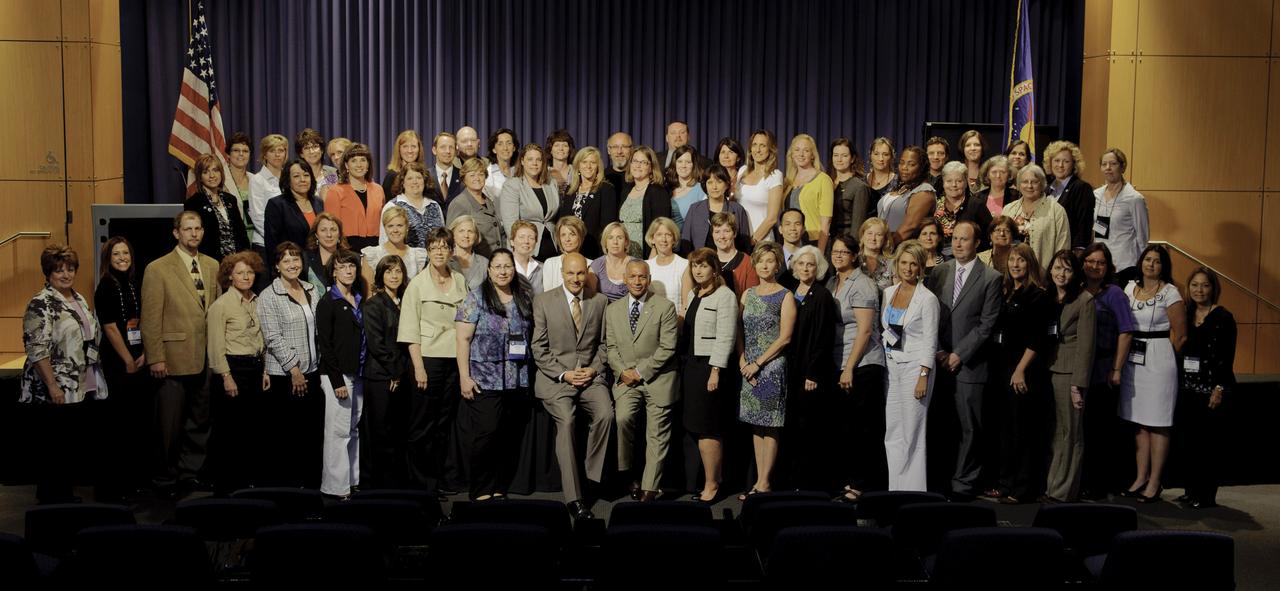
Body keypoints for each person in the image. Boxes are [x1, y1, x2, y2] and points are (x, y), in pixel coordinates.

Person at [141, 212, 220, 495]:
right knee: (168, 424)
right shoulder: (158, 268)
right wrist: (156, 357)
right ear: (177, 233)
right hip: (172, 358)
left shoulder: (212, 265)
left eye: (198, 229)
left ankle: (191, 474)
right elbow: (150, 318)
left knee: (199, 421)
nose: (194, 234)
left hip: (204, 358)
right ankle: (165, 477)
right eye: (188, 229)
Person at [531, 253, 614, 519]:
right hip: (557, 379)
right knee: (566, 421)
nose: (576, 279)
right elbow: (539, 348)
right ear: (562, 273)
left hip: (590, 377)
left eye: (580, 274)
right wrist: (564, 375)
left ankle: (590, 478)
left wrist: (594, 369)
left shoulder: (600, 301)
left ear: (587, 273)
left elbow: (604, 345)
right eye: (570, 273)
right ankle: (574, 498)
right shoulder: (543, 301)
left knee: (607, 414)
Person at [21, 245, 107, 504]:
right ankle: (51, 501)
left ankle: (64, 495)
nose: (66, 274)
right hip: (54, 389)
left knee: (68, 447)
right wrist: (52, 386)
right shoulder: (40, 303)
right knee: (53, 450)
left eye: (70, 269)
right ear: (48, 273)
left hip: (79, 384)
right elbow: (36, 350)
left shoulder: (78, 298)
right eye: (59, 270)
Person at [925, 221, 1002, 501]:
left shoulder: (991, 278)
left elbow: (987, 324)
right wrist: (940, 351)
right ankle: (941, 479)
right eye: (955, 238)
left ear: (977, 243)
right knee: (942, 425)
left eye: (964, 239)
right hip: (940, 359)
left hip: (971, 365)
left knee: (970, 427)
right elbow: (930, 313)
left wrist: (960, 354)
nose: (957, 244)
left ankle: (964, 483)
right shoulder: (940, 272)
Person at [455, 248, 533, 501]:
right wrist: (464, 377)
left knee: (506, 437)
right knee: (486, 435)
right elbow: (462, 340)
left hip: (515, 379)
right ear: (489, 271)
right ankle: (480, 490)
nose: (503, 271)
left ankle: (499, 487)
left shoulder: (523, 297)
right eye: (497, 266)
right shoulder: (476, 298)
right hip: (484, 379)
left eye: (507, 266)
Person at [397, 227, 468, 494]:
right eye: (434, 247)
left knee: (445, 423)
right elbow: (409, 329)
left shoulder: (460, 281)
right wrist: (418, 368)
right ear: (427, 251)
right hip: (428, 359)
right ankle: (421, 482)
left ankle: (442, 477)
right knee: (422, 424)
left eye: (444, 247)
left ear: (451, 251)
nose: (439, 251)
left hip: (455, 359)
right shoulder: (417, 284)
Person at [606, 260, 679, 502]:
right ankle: (628, 475)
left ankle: (650, 487)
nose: (638, 282)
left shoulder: (665, 307)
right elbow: (611, 348)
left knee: (656, 433)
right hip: (626, 380)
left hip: (657, 378)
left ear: (648, 280)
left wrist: (641, 372)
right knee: (623, 417)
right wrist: (623, 371)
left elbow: (668, 348)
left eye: (642, 277)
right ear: (625, 279)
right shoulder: (612, 309)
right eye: (633, 277)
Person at [1120, 245, 1186, 504]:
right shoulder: (1129, 288)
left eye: (1157, 261)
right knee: (1139, 422)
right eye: (1147, 260)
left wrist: (1165, 356)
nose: (1151, 265)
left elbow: (1180, 336)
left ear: (1163, 266)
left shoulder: (1171, 292)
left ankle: (1155, 482)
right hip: (1133, 358)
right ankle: (1140, 477)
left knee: (1158, 423)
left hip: (1159, 356)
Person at [990, 244, 1054, 505]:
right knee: (1005, 429)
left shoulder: (1038, 295)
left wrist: (1020, 370)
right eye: (1012, 260)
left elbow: (1039, 338)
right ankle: (1004, 483)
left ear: (1031, 264)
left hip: (1024, 371)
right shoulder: (1006, 291)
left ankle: (1022, 487)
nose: (1015, 265)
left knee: (1023, 430)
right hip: (1003, 367)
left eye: (1021, 261)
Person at [825, 234, 887, 500]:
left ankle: (863, 485)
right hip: (840, 361)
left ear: (854, 255)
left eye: (844, 252)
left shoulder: (863, 284)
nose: (838, 256)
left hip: (862, 364)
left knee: (863, 429)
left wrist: (849, 367)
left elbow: (864, 331)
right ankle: (848, 480)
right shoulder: (831, 282)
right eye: (835, 251)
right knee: (845, 428)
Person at [257, 241, 322, 488]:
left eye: (296, 259)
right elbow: (272, 337)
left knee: (310, 437)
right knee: (287, 438)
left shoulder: (310, 289)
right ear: (276, 266)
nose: (293, 264)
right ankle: (288, 491)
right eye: (286, 260)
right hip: (286, 376)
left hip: (312, 372)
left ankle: (311, 490)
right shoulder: (269, 296)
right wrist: (294, 369)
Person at [737, 242, 796, 500]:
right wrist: (742, 360)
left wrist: (758, 363)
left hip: (770, 367)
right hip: (747, 367)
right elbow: (739, 330)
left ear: (777, 265)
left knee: (770, 425)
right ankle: (760, 482)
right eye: (760, 261)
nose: (764, 265)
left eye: (770, 261)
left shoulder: (785, 296)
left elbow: (785, 338)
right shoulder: (747, 294)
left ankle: (764, 483)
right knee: (756, 426)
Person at [205, 251, 267, 494]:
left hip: (255, 368)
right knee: (229, 433)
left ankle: (247, 483)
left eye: (250, 272)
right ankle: (226, 487)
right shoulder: (220, 306)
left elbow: (262, 338)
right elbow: (215, 347)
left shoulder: (258, 300)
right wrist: (226, 377)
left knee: (251, 430)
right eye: (240, 272)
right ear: (229, 276)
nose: (246, 276)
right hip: (232, 371)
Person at [94, 238, 151, 499]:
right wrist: (128, 359)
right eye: (116, 254)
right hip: (118, 361)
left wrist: (142, 355)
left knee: (134, 424)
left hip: (136, 357)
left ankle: (133, 482)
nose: (121, 257)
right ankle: (115, 488)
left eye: (125, 252)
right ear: (108, 258)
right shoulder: (105, 286)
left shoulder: (130, 283)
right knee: (118, 425)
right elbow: (109, 327)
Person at [880, 240, 939, 491]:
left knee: (913, 431)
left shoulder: (928, 299)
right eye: (903, 263)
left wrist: (924, 375)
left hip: (916, 368)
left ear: (920, 267)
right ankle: (896, 487)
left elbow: (930, 340)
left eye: (913, 264)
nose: (907, 268)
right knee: (893, 430)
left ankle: (913, 491)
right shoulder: (888, 292)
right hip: (891, 367)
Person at [1079, 243, 1136, 499]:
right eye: (1090, 261)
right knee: (1084, 430)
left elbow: (1126, 331)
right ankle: (1083, 482)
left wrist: (1116, 368)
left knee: (1101, 432)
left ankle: (1101, 485)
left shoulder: (1115, 294)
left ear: (1108, 267)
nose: (1095, 266)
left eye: (1100, 262)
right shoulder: (1077, 290)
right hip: (1080, 369)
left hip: (1104, 369)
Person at [682, 248, 738, 503]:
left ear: (714, 269)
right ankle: (709, 479)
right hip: (692, 367)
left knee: (709, 429)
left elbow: (726, 335)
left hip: (710, 368)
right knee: (697, 427)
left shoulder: (725, 295)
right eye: (695, 266)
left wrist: (715, 371)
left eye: (703, 266)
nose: (698, 270)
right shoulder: (696, 293)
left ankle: (713, 485)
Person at [1176, 267, 1235, 509]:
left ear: (1213, 289)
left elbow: (1227, 356)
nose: (1199, 290)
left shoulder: (1223, 317)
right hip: (1188, 388)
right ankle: (1191, 491)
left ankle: (1206, 495)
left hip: (1212, 390)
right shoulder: (1186, 314)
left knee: (1208, 445)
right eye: (1194, 285)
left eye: (1205, 285)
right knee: (1189, 442)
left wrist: (1219, 388)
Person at [785, 245, 841, 492]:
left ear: (817, 269)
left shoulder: (821, 295)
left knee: (809, 428)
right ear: (794, 267)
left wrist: (813, 372)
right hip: (790, 368)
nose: (805, 268)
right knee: (792, 427)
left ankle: (809, 484)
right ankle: (792, 480)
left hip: (810, 371)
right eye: (801, 263)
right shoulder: (789, 292)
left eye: (810, 264)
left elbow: (823, 336)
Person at [1042, 250, 1095, 503]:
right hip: (1048, 370)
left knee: (1070, 433)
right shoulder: (1049, 296)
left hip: (1069, 374)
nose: (1061, 274)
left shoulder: (1084, 301)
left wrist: (1078, 385)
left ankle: (1064, 490)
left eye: (1067, 269)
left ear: (1075, 274)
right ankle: (1051, 484)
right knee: (1054, 433)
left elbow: (1087, 346)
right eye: (1057, 268)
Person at [316, 250, 366, 499]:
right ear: (333, 271)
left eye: (352, 267)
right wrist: (337, 381)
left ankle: (352, 480)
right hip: (337, 376)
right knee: (337, 432)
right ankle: (335, 487)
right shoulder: (328, 302)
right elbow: (325, 345)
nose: (348, 270)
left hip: (357, 373)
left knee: (353, 430)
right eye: (342, 267)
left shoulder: (359, 297)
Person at [361, 254, 409, 489]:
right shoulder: (374, 304)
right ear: (380, 275)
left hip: (399, 373)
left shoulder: (405, 301)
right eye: (389, 271)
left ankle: (396, 481)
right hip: (380, 375)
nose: (394, 275)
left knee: (397, 430)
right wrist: (395, 373)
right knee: (380, 431)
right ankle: (379, 485)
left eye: (398, 271)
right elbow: (376, 344)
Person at [1093, 148, 1149, 285]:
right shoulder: (1096, 195)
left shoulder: (1134, 198)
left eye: (1113, 164)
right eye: (1104, 164)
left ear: (1122, 167)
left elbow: (1143, 237)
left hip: (1124, 265)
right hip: (1099, 265)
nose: (1108, 168)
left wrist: (1143, 270)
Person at [499, 143, 561, 261]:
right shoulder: (512, 185)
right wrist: (522, 246)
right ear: (522, 161)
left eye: (538, 160)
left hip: (553, 246)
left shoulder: (551, 184)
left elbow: (556, 217)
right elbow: (510, 225)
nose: (535, 163)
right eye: (530, 159)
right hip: (527, 249)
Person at [184, 153, 250, 261]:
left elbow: (241, 234)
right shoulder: (194, 203)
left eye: (215, 170)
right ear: (199, 177)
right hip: (210, 263)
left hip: (237, 263)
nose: (212, 176)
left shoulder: (230, 200)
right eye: (206, 172)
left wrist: (246, 259)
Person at [264, 159, 325, 275]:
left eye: (306, 175)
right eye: (296, 176)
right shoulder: (277, 205)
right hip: (292, 269)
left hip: (319, 267)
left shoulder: (318, 202)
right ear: (288, 180)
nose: (303, 180)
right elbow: (272, 244)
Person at [1002, 164, 1070, 265]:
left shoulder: (1057, 211)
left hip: (1043, 275)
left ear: (1042, 184)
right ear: (1019, 185)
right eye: (1025, 182)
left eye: (1034, 182)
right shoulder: (1008, 209)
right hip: (1012, 273)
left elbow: (1063, 248)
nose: (1029, 186)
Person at [559, 146, 618, 259]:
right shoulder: (570, 190)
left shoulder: (606, 189)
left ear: (598, 167)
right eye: (584, 162)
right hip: (570, 250)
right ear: (578, 166)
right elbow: (563, 221)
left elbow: (607, 226)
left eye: (593, 162)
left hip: (593, 250)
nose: (588, 166)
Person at [324, 143, 385, 251]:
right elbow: (332, 227)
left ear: (368, 164)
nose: (359, 165)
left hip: (376, 249)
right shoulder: (335, 191)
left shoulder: (378, 190)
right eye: (353, 161)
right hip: (347, 250)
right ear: (347, 165)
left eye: (363, 160)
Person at [680, 164, 751, 254]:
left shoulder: (737, 210)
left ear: (726, 185)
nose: (714, 187)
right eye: (710, 182)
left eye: (719, 182)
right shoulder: (695, 209)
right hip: (701, 263)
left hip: (730, 264)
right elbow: (685, 242)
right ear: (705, 185)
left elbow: (745, 246)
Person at [783, 134, 835, 252]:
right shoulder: (788, 181)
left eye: (806, 150)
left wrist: (819, 253)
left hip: (813, 243)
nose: (801, 154)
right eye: (797, 150)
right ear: (792, 154)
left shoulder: (823, 180)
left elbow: (826, 222)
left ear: (812, 155)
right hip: (790, 244)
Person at [619, 146, 674, 259]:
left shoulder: (658, 192)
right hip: (623, 253)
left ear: (651, 167)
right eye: (635, 161)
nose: (638, 166)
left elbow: (661, 227)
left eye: (643, 162)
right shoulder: (626, 190)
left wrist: (652, 258)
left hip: (645, 254)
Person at [1043, 140, 1095, 251]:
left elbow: (1084, 225)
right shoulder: (1046, 190)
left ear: (1074, 165)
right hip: (1048, 249)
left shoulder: (1081, 188)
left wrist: (1078, 251)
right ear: (1050, 163)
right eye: (1056, 161)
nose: (1060, 165)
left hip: (1069, 251)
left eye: (1066, 161)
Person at [934, 161, 994, 257]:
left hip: (971, 258)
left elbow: (990, 234)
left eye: (959, 181)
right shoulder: (934, 204)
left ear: (966, 183)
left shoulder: (976, 205)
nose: (954, 185)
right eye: (949, 181)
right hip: (938, 258)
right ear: (943, 183)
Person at [878, 146, 936, 243]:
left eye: (911, 164)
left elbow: (910, 227)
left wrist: (886, 247)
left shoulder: (924, 191)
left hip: (901, 250)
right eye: (902, 162)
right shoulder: (903, 188)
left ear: (921, 167)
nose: (904, 168)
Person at [381, 160, 445, 249]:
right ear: (403, 182)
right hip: (404, 260)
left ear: (424, 181)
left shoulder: (435, 206)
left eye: (419, 178)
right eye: (410, 178)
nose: (415, 182)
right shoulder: (392, 206)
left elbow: (443, 238)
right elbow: (384, 241)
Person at [450, 157, 505, 257]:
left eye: (481, 174)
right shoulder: (459, 203)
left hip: (495, 261)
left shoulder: (489, 201)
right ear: (464, 179)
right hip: (474, 263)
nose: (477, 178)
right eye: (472, 175)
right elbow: (451, 239)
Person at [738, 130, 785, 244]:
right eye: (754, 145)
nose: (757, 150)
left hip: (761, 241)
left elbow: (772, 218)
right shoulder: (742, 171)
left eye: (762, 146)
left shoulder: (775, 175)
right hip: (739, 239)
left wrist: (752, 241)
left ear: (770, 149)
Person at [362, 207, 429, 286]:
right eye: (390, 226)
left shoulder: (419, 255)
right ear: (385, 228)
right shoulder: (371, 255)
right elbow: (368, 294)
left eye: (400, 225)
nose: (395, 230)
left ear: (407, 227)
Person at [248, 133, 288, 264]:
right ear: (265, 154)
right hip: (265, 245)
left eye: (281, 150)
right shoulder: (257, 180)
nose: (277, 155)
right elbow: (258, 216)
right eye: (272, 151)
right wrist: (277, 239)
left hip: (288, 245)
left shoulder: (289, 179)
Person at [829, 138, 875, 242]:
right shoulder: (827, 183)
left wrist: (850, 248)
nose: (839, 159)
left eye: (844, 156)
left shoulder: (859, 187)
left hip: (845, 244)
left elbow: (857, 228)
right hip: (826, 243)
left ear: (852, 158)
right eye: (836, 155)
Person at [645, 217, 691, 311]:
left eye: (668, 235)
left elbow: (686, 303)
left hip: (675, 321)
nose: (664, 239)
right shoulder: (646, 265)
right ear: (652, 239)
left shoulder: (684, 265)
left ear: (674, 239)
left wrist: (679, 324)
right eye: (659, 235)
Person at [712, 212, 760, 298]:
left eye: (726, 231)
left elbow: (753, 301)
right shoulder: (708, 261)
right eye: (717, 232)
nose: (722, 236)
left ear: (734, 233)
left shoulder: (748, 262)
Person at [590, 222, 638, 302]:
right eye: (610, 237)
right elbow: (590, 296)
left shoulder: (636, 264)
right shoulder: (596, 265)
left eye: (619, 238)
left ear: (626, 242)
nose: (615, 242)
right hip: (604, 311)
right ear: (605, 242)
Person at [302, 212, 347, 293]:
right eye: (323, 230)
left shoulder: (351, 258)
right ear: (316, 234)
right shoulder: (304, 259)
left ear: (339, 234)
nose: (329, 235)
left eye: (333, 230)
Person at [543, 216, 589, 293]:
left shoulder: (591, 264)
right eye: (563, 235)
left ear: (580, 237)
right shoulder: (550, 263)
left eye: (572, 234)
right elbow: (548, 296)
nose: (567, 239)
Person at [225, 132, 255, 242]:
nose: (241, 154)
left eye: (245, 151)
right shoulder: (220, 180)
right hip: (231, 238)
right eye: (236, 150)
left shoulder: (255, 179)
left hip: (255, 237)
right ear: (228, 154)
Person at [666, 145, 706, 227]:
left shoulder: (701, 190)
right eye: (680, 161)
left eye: (688, 162)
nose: (683, 166)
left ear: (694, 165)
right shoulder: (667, 188)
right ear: (675, 164)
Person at [448, 215, 489, 290]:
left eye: (470, 231)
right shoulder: (444, 261)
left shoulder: (484, 263)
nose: (466, 235)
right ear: (453, 234)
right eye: (461, 231)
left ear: (476, 236)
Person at [381, 129, 425, 195]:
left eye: (413, 146)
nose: (410, 151)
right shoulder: (391, 176)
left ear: (419, 149)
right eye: (405, 146)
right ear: (399, 150)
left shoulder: (424, 175)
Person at [858, 217, 894, 290]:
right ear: (862, 236)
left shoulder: (892, 263)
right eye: (869, 233)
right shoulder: (852, 260)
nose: (873, 238)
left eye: (878, 234)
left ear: (885, 239)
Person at [298, 128, 338, 195]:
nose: (311, 151)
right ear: (301, 154)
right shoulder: (296, 175)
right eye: (306, 148)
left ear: (322, 150)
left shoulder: (333, 173)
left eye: (315, 146)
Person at [484, 128, 519, 201]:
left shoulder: (519, 171)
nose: (505, 148)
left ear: (514, 148)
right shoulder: (488, 174)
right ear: (494, 149)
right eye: (500, 144)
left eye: (509, 143)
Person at [510, 220, 544, 294]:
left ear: (535, 243)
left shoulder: (542, 268)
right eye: (521, 237)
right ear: (512, 241)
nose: (526, 241)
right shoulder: (504, 267)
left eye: (531, 238)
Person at [431, 131, 465, 205]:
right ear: (434, 150)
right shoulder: (425, 176)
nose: (448, 151)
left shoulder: (463, 176)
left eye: (451, 147)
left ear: (456, 152)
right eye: (443, 147)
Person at [545, 128, 576, 195]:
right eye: (556, 145)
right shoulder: (544, 172)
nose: (561, 149)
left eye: (565, 145)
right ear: (550, 150)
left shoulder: (577, 172)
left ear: (570, 150)